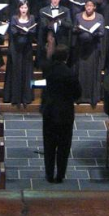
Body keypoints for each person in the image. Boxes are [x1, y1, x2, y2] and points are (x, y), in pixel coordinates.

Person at [40, 44, 81, 183]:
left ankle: (49, 174)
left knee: (49, 145)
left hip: (50, 112)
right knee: (64, 146)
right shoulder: (71, 73)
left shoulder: (48, 70)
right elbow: (77, 94)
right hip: (65, 113)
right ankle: (60, 175)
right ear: (67, 57)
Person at [4, 0, 35, 108]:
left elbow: (33, 31)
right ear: (19, 8)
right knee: (16, 71)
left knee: (26, 72)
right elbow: (13, 31)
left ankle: (26, 98)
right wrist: (23, 31)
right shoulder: (14, 18)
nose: (23, 10)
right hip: (16, 49)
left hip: (27, 49)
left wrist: (26, 31)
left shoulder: (31, 18)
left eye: (25, 8)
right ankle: (16, 98)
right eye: (22, 8)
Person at [73, 0, 105, 107]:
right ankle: (80, 97)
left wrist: (95, 33)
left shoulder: (99, 17)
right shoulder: (78, 16)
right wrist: (77, 30)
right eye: (87, 6)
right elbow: (74, 29)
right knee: (81, 72)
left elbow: (102, 32)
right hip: (81, 49)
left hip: (93, 49)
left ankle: (92, 97)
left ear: (94, 7)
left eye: (91, 6)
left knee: (92, 72)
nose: (89, 7)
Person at [37, 0, 73, 65]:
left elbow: (69, 25)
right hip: (48, 40)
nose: (55, 0)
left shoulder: (66, 10)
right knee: (49, 62)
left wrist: (60, 21)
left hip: (62, 40)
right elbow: (43, 26)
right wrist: (50, 23)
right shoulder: (43, 10)